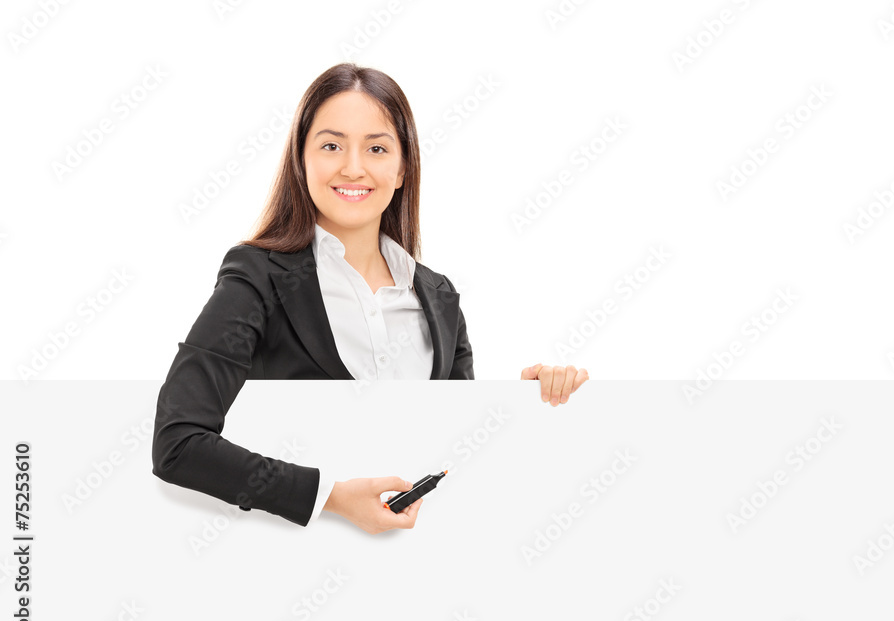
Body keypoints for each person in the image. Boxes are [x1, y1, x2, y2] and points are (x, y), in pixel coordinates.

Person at [151, 63, 588, 534]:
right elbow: (178, 444)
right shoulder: (257, 277)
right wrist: (330, 498)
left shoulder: (440, 298)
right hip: (288, 565)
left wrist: (520, 402)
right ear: (302, 160)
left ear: (402, 169)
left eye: (377, 148)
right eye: (331, 145)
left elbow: (452, 459)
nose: (353, 167)